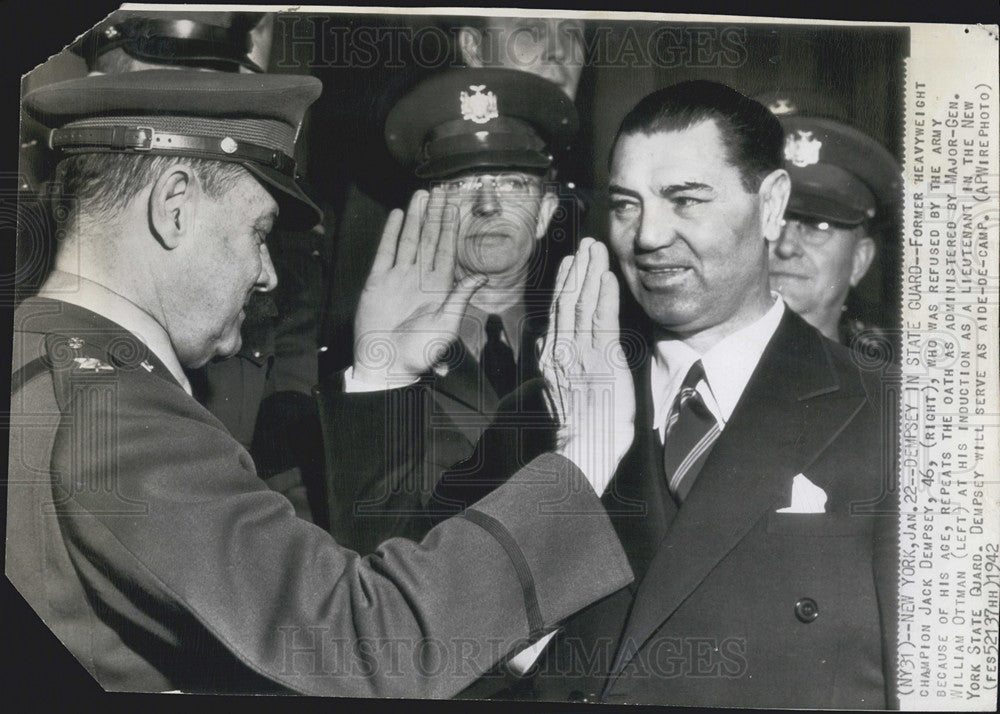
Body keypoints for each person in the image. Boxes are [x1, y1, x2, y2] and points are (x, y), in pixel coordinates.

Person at [6, 68, 634, 696]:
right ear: (173, 208)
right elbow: (369, 642)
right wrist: (585, 454)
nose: (268, 275)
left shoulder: (40, 360)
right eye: (259, 232)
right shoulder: (124, 419)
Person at [393, 80, 898, 707]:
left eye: (685, 200)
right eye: (627, 205)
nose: (649, 236)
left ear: (770, 205)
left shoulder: (887, 418)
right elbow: (419, 643)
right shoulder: (534, 411)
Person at [316, 67, 577, 553]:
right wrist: (382, 372)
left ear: (544, 213)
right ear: (426, 209)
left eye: (513, 184)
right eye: (460, 186)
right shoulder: (366, 363)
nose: (487, 205)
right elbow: (366, 559)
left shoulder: (590, 345)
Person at [756, 90, 901, 348]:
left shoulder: (889, 381)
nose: (786, 246)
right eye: (770, 217)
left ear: (859, 261)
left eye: (817, 225)